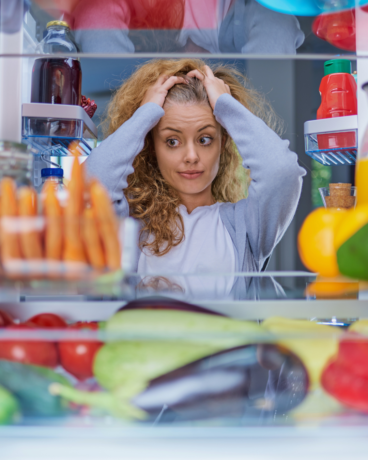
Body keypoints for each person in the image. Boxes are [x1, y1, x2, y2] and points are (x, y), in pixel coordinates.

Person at [85, 58, 306, 297]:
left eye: (204, 139)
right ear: (151, 148)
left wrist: (225, 105)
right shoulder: (134, 228)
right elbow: (92, 183)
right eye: (172, 141)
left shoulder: (244, 227)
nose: (191, 156)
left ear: (223, 142)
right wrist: (145, 116)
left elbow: (282, 171)